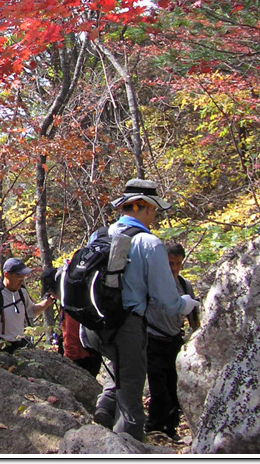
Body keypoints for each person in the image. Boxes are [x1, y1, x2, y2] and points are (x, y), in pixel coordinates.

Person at [81, 179, 200, 442]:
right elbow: (166, 299)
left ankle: (99, 428)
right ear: (144, 206)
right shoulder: (149, 243)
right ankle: (127, 447)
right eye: (154, 209)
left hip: (94, 325)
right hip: (128, 327)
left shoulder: (100, 234)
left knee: (116, 378)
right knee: (132, 396)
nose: (154, 216)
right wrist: (186, 304)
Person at [144, 242, 200, 439]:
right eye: (170, 263)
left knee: (174, 387)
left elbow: (193, 315)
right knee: (158, 388)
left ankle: (171, 427)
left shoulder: (185, 285)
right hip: (152, 339)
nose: (174, 268)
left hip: (174, 341)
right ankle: (154, 427)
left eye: (178, 264)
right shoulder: (151, 284)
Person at [0, 258, 55, 353]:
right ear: (6, 275)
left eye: (23, 277)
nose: (21, 280)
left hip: (20, 344)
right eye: (18, 276)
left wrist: (47, 302)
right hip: (1, 346)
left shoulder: (22, 292)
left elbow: (31, 311)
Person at [40, 267, 102, 376]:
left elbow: (71, 337)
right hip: (93, 353)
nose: (53, 297)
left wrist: (68, 363)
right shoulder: (80, 297)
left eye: (51, 294)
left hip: (81, 359)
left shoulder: (70, 306)